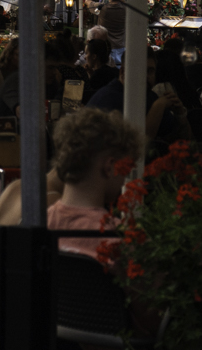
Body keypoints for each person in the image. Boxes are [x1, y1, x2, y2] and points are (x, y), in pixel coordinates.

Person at [36, 107, 141, 254]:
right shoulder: (121, 241)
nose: (125, 178)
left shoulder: (36, 227)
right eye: (126, 168)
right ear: (109, 166)